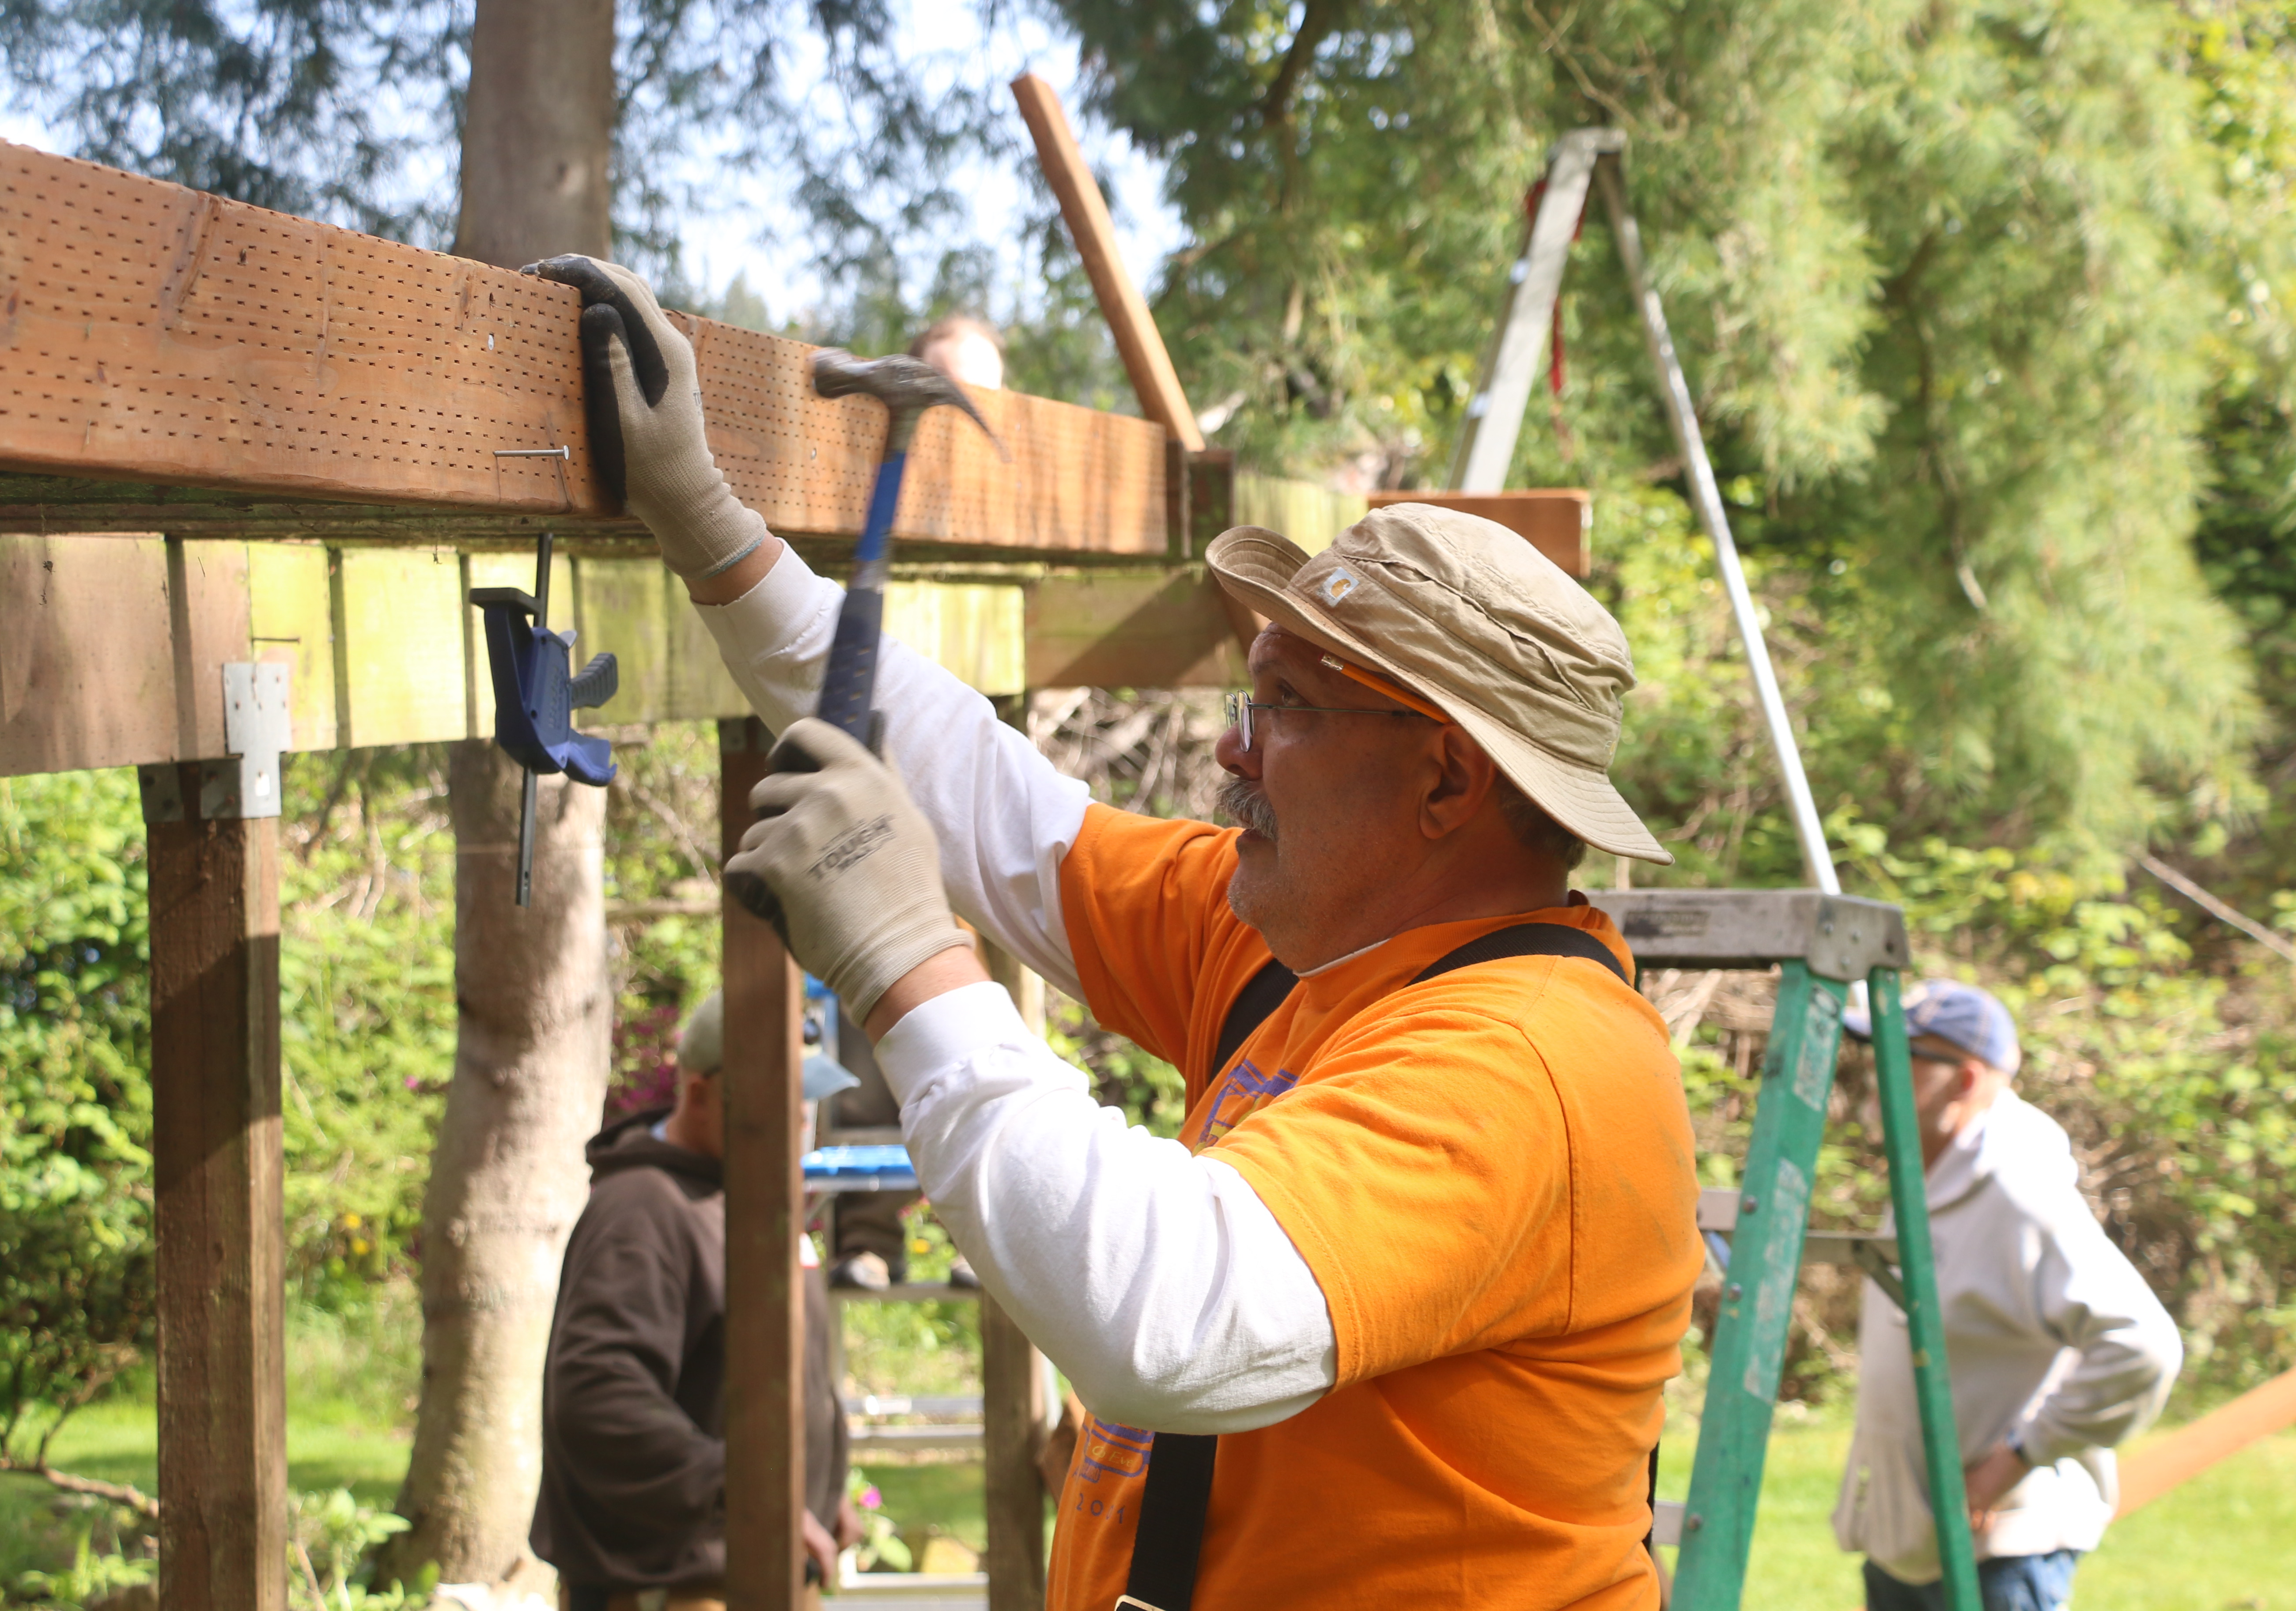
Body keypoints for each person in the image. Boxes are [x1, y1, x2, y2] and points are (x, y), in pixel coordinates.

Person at [527, 253, 1702, 1610]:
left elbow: (1173, 1322)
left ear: (1445, 779)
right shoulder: (1297, 947)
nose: (1230, 745)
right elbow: (996, 807)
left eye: (1286, 707)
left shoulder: (1538, 1067)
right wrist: (714, 528)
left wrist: (911, 961)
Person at [1836, 980, 2182, 1611]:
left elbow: (2142, 1344)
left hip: (1996, 1554)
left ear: (1965, 1080)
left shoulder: (2018, 1192)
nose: (1875, 1075)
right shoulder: (1931, 1175)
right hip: (1914, 1541)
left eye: (1901, 1055)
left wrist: (2012, 1463)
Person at [531, 995, 860, 1611]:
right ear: (702, 1095)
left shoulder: (748, 1195)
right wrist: (753, 1491)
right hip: (674, 1586)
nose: (799, 1117)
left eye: (805, 1096)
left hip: (759, 1564)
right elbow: (600, 1400)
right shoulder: (643, 1212)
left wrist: (820, 1485)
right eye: (778, 1097)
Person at [825, 312, 1002, 1295]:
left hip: (981, 803)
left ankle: (990, 1243)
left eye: (981, 392)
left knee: (998, 1019)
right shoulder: (870, 494)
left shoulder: (1019, 492)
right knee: (873, 1024)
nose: (965, 413)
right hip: (886, 761)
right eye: (948, 388)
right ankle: (871, 1239)